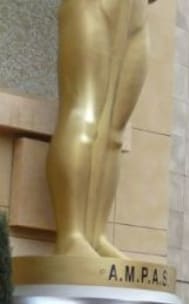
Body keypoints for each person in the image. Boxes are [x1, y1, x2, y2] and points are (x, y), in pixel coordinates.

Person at [47, 0, 158, 258]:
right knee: (83, 116)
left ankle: (95, 236)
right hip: (92, 5)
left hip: (136, 15)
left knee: (113, 136)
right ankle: (70, 236)